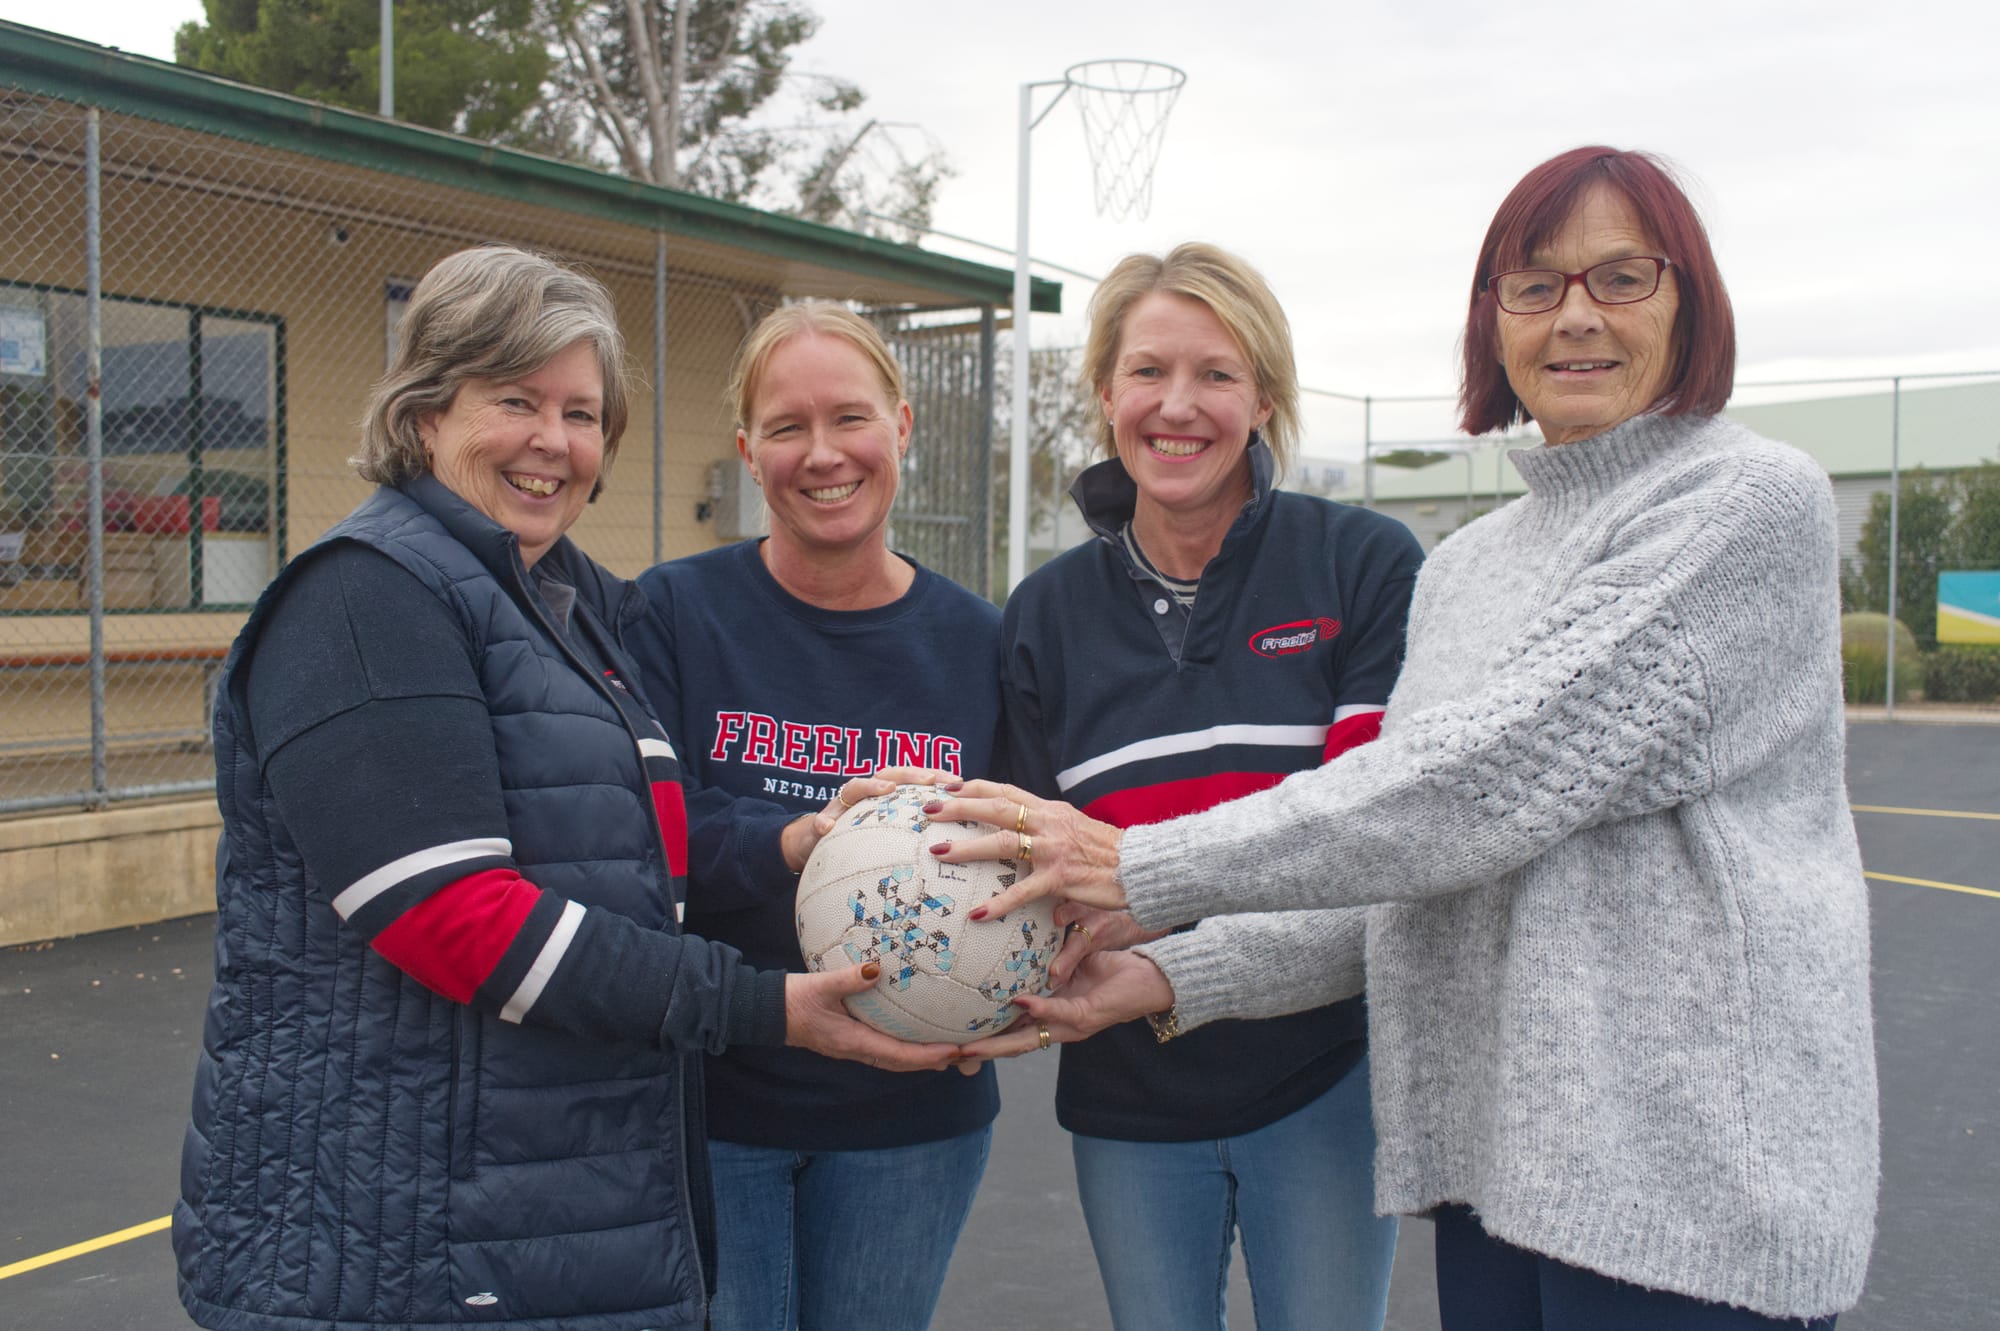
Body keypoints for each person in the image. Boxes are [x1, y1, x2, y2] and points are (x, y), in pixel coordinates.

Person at [941, 147, 1879, 1330]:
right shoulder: (1474, 564)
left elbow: (1487, 782)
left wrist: (1141, 865)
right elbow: (1403, 880)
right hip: (1500, 1180)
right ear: (1491, 324)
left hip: (1691, 1197)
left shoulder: (1746, 504)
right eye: (1533, 286)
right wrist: (1166, 973)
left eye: (1620, 276)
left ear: (1688, 300)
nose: (1573, 314)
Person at [173, 247, 954, 1331]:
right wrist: (758, 1006)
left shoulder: (565, 604)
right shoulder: (363, 600)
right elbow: (451, 915)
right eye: (514, 399)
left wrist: (798, 840)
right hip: (394, 1238)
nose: (553, 440)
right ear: (424, 412)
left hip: (540, 1207)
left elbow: (626, 867)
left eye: (582, 412)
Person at [968, 242, 1423, 1331]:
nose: (1178, 406)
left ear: (1264, 395)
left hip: (1322, 1072)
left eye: (1215, 373)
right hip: (1127, 1095)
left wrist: (1163, 943)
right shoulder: (1044, 614)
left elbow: (1365, 844)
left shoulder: (1362, 565)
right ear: (1104, 393)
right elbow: (1038, 868)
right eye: (1147, 372)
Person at [620, 301, 1006, 1331]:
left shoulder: (984, 644)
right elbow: (634, 834)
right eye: (786, 427)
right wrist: (797, 838)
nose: (821, 453)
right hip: (717, 1098)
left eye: (849, 418)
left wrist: (1013, 985)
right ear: (748, 452)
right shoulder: (669, 612)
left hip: (910, 1109)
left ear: (902, 427)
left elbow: (1028, 851)